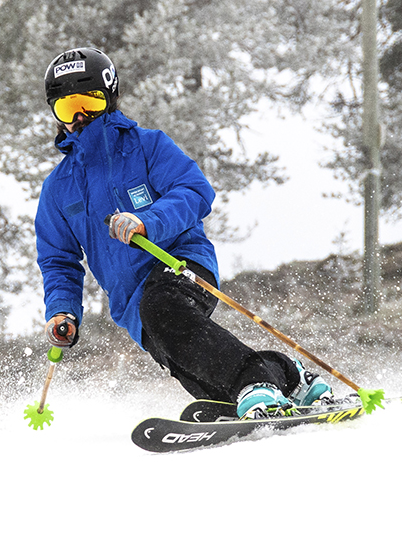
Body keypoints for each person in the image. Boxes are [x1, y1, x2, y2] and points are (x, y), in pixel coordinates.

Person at [35, 47, 333, 419]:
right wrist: (62, 311)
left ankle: (255, 382)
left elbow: (194, 190)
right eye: (66, 108)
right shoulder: (59, 188)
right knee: (197, 371)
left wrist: (148, 221)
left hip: (181, 264)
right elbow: (58, 260)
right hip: (131, 304)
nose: (79, 117)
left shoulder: (147, 146)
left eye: (88, 103)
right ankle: (289, 378)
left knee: (162, 306)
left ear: (109, 99)